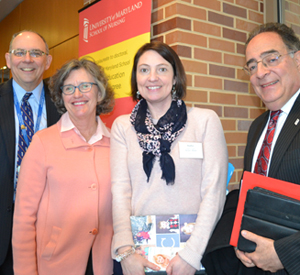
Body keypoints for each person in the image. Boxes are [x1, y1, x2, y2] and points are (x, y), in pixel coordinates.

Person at [110, 41, 228, 275]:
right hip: (139, 256)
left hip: (194, 254)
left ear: (175, 78)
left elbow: (213, 192)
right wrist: (125, 252)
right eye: (144, 70)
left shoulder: (204, 121)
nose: (152, 77)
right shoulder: (123, 127)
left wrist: (191, 255)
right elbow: (120, 191)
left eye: (162, 69)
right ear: (136, 78)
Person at [202, 23, 300, 275]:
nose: (261, 72)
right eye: (253, 65)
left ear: (297, 59)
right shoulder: (258, 127)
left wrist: (284, 254)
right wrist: (240, 240)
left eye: (271, 59)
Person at [12, 58, 115, 275]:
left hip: (104, 263)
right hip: (56, 263)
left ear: (99, 92)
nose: (77, 94)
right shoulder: (43, 142)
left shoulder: (116, 142)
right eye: (69, 88)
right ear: (61, 96)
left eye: (85, 86)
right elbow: (23, 218)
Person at [0, 30, 60, 275]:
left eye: (36, 53)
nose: (27, 59)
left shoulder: (64, 102)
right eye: (20, 52)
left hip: (52, 225)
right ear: (7, 59)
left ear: (47, 61)